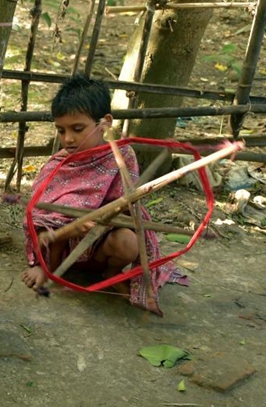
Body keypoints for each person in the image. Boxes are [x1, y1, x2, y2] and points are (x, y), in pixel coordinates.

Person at [20, 74, 181, 315]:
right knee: (48, 224)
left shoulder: (122, 156)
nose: (68, 139)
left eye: (77, 129)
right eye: (61, 130)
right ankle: (46, 267)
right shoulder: (58, 164)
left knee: (129, 242)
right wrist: (72, 224)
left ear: (104, 123)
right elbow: (40, 210)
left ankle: (111, 274)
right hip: (61, 246)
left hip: (100, 242)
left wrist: (103, 218)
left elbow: (128, 201)